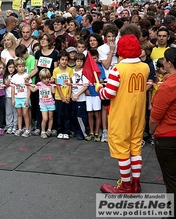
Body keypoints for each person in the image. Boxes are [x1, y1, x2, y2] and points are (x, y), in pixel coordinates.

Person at [97, 34, 149, 194]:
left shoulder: (117, 69)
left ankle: (126, 185)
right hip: (138, 114)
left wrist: (100, 88)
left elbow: (108, 94)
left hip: (121, 115)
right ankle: (135, 183)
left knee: (122, 149)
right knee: (135, 148)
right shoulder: (145, 67)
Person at [150, 47, 176, 208]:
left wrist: (152, 131)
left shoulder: (167, 87)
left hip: (168, 138)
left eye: (165, 61)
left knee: (172, 180)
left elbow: (155, 117)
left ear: (169, 64)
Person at [53, 51, 73, 140]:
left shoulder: (70, 70)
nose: (64, 61)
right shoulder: (56, 70)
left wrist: (68, 96)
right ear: (59, 60)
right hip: (59, 97)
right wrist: (62, 97)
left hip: (68, 96)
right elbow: (57, 85)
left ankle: (66, 131)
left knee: (67, 115)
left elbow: (70, 84)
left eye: (66, 60)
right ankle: (60, 130)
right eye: (62, 59)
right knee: (60, 114)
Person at [30, 69, 55, 139]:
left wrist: (52, 84)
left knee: (51, 117)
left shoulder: (50, 84)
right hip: (43, 104)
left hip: (51, 103)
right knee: (45, 118)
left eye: (48, 78)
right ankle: (43, 131)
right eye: (44, 79)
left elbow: (53, 92)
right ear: (41, 78)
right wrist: (27, 84)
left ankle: (49, 130)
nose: (46, 80)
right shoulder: (39, 84)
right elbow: (33, 90)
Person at [11, 57, 32, 137]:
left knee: (25, 114)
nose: (21, 68)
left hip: (24, 97)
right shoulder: (14, 77)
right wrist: (13, 99)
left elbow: (29, 88)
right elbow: (13, 88)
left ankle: (27, 129)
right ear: (16, 67)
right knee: (19, 114)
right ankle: (19, 129)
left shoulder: (26, 76)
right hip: (17, 98)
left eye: (23, 66)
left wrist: (27, 99)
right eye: (19, 66)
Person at [70, 53, 88, 140]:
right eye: (77, 61)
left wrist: (77, 95)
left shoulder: (84, 72)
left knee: (80, 116)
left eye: (81, 61)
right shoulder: (72, 71)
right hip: (73, 97)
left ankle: (82, 133)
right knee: (73, 115)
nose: (79, 63)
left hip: (81, 99)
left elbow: (85, 86)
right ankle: (76, 131)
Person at [4, 59, 17, 134]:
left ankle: (15, 125)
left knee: (15, 111)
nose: (11, 69)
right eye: (9, 67)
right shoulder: (5, 76)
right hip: (8, 96)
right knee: (8, 112)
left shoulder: (16, 76)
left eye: (13, 67)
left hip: (16, 96)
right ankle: (9, 126)